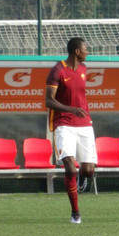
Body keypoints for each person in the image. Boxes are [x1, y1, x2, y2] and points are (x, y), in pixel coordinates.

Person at [45, 37, 96, 224]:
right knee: (69, 165)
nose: (87, 52)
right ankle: (75, 213)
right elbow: (48, 101)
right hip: (63, 123)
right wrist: (71, 109)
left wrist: (79, 110)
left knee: (89, 170)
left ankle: (84, 175)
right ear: (77, 51)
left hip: (84, 124)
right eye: (85, 49)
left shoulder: (83, 69)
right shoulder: (57, 70)